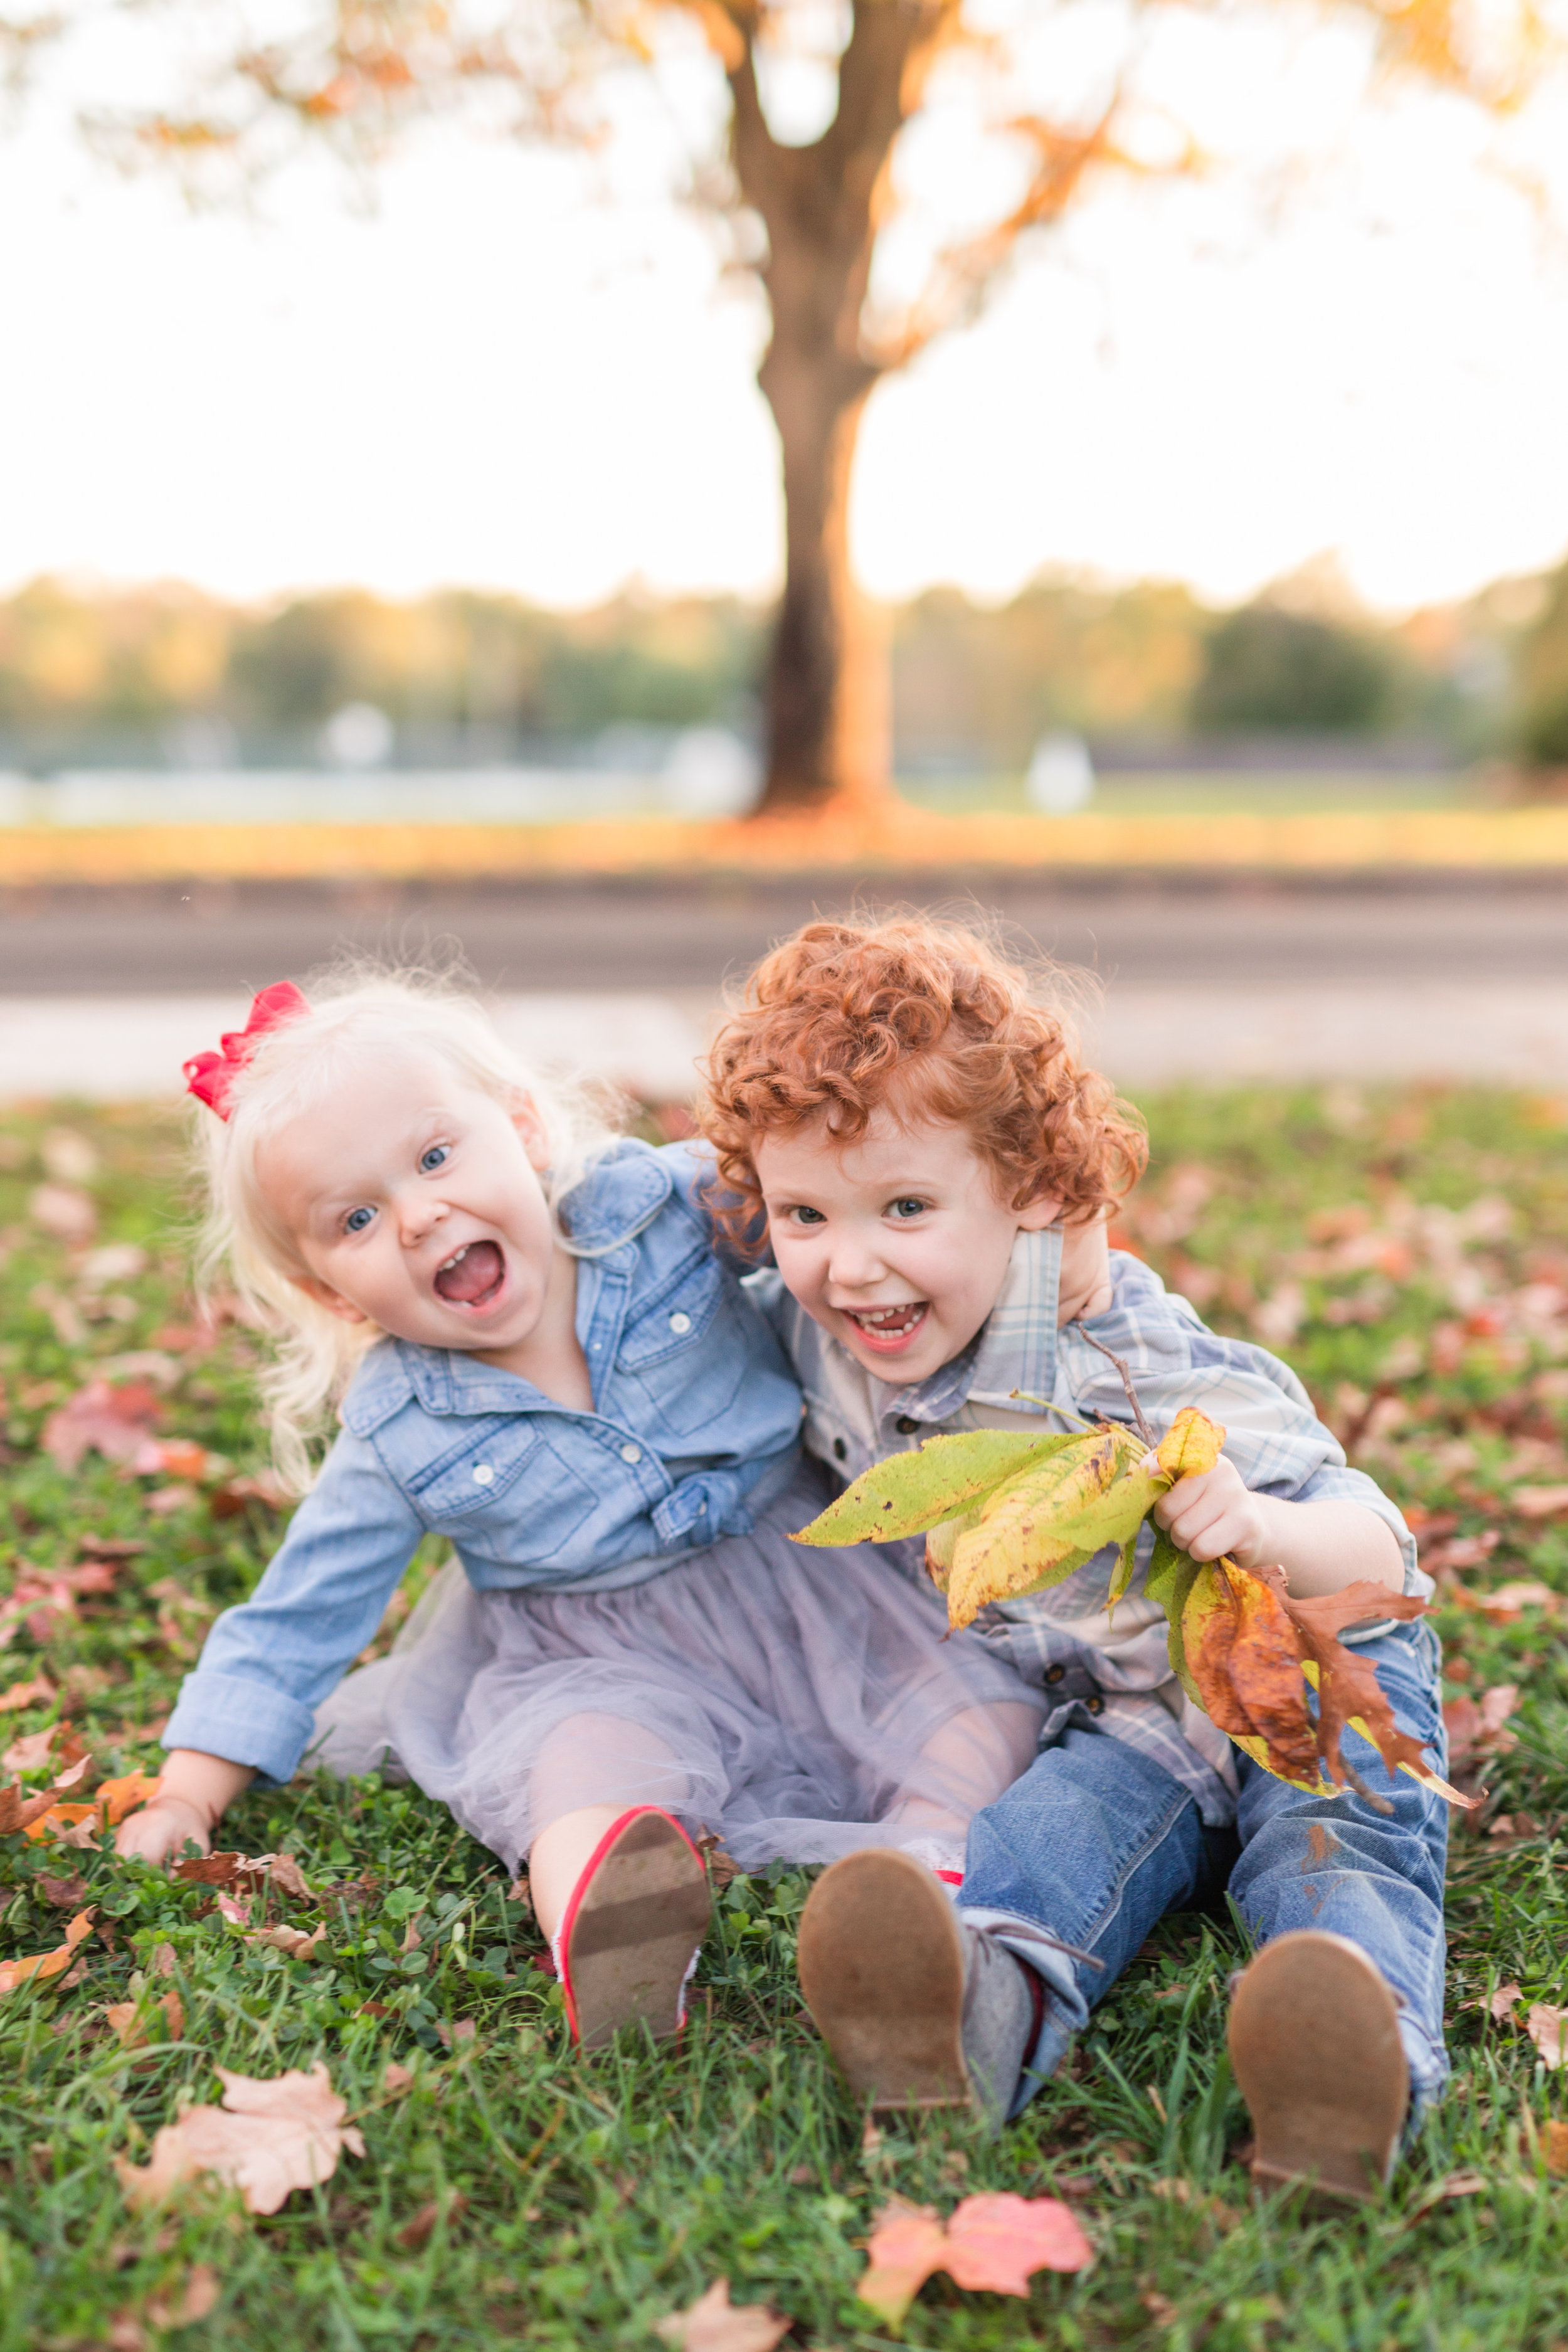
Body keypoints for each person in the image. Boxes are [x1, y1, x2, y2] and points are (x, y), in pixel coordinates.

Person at [117, 971, 1044, 2050]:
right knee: (581, 1764)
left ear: (520, 1130)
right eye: (357, 1217)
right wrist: (188, 1795)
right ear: (329, 1287)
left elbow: (816, 1208)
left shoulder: (661, 1208)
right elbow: (298, 1616)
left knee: (970, 1708)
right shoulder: (398, 1426)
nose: (420, 1216)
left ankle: (919, 1874)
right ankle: (609, 1921)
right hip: (595, 1651)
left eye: (434, 1157)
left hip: (818, 1584)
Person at [697, 914, 1448, 2203]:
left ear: (1035, 1195)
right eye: (804, 1211)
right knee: (1039, 1845)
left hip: (1303, 1663)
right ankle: (966, 2018)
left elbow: (1383, 1547)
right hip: (1126, 1712)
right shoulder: (823, 1316)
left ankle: (1349, 2063)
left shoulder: (1118, 1362)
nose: (852, 1261)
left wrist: (1258, 1530)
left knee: (1336, 1853)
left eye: (907, 1207)